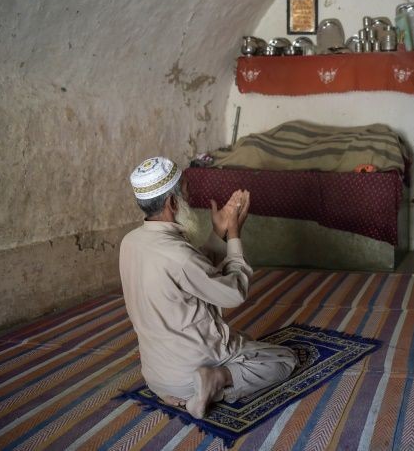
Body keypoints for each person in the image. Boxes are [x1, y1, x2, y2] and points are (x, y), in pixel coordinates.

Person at [119, 156, 297, 419]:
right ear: (172, 202)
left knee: (245, 340)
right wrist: (234, 234)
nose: (190, 198)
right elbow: (233, 292)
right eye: (187, 191)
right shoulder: (178, 255)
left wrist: (218, 233)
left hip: (157, 378)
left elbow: (192, 272)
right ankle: (215, 379)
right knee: (284, 359)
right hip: (190, 371)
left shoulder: (130, 242)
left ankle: (190, 387)